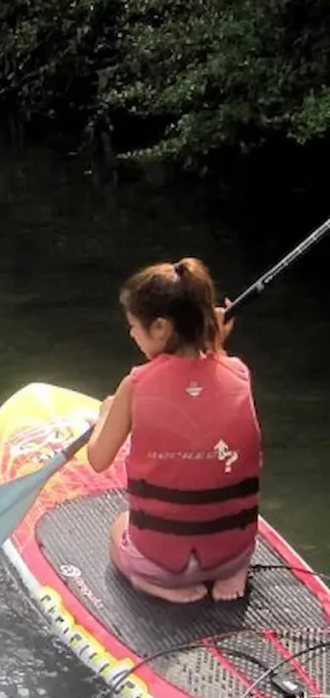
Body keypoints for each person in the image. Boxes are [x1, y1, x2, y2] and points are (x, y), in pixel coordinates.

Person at [86, 257, 262, 604]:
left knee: (118, 526)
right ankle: (228, 571)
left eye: (134, 325)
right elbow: (204, 391)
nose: (131, 333)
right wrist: (216, 345)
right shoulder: (240, 373)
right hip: (234, 552)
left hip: (162, 564)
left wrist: (106, 414)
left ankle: (154, 583)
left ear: (161, 329)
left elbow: (97, 459)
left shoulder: (134, 385)